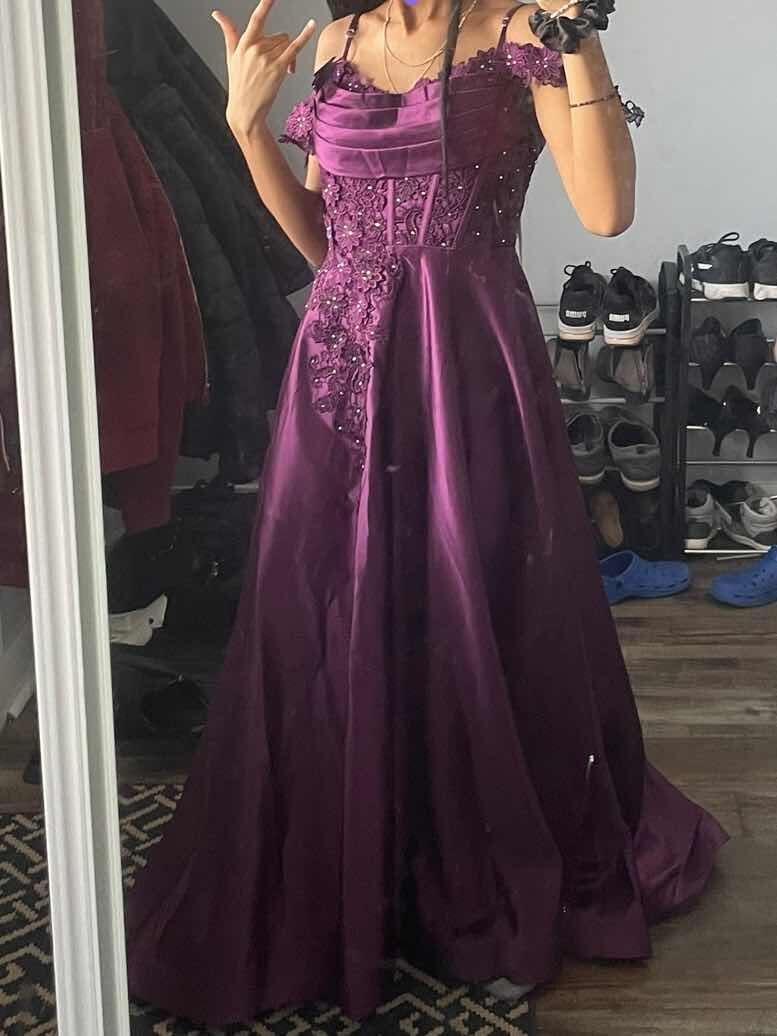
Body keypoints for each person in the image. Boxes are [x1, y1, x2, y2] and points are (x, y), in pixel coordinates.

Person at [125, 0, 729, 1026]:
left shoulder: (521, 34)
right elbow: (323, 242)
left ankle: (484, 865)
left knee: (475, 608)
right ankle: (362, 857)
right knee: (329, 619)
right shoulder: (339, 43)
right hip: (339, 379)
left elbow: (605, 212)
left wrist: (581, 36)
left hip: (468, 377)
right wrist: (244, 128)